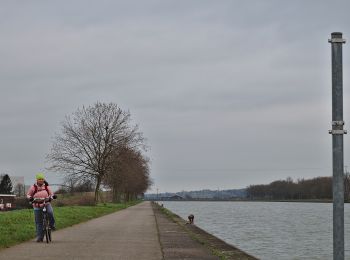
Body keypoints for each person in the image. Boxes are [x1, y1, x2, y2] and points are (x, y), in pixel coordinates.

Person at [27, 173, 57, 242]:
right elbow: (28, 195)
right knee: (39, 222)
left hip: (46, 204)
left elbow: (51, 194)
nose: (41, 180)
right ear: (37, 180)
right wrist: (30, 198)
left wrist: (52, 197)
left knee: (50, 212)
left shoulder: (46, 187)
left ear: (44, 180)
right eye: (39, 179)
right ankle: (40, 237)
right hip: (37, 205)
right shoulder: (33, 187)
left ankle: (52, 225)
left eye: (42, 179)